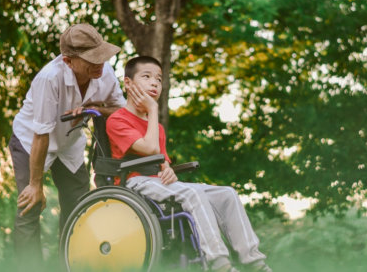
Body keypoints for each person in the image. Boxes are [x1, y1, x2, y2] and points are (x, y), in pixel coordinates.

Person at [106, 56, 272, 272]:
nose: (154, 83)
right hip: (135, 182)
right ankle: (220, 264)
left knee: (227, 194)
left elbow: (162, 160)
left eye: (158, 79)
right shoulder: (117, 120)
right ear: (127, 83)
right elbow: (150, 148)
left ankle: (255, 263)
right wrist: (153, 109)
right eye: (146, 77)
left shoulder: (156, 128)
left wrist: (169, 171)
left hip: (158, 182)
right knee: (192, 194)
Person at [8, 23, 126, 267]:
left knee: (79, 206)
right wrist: (35, 184)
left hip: (69, 143)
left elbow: (121, 110)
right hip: (31, 142)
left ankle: (71, 265)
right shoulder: (49, 78)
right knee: (30, 207)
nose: (99, 63)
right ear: (68, 60)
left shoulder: (105, 72)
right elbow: (42, 134)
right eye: (91, 59)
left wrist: (95, 108)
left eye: (101, 55)